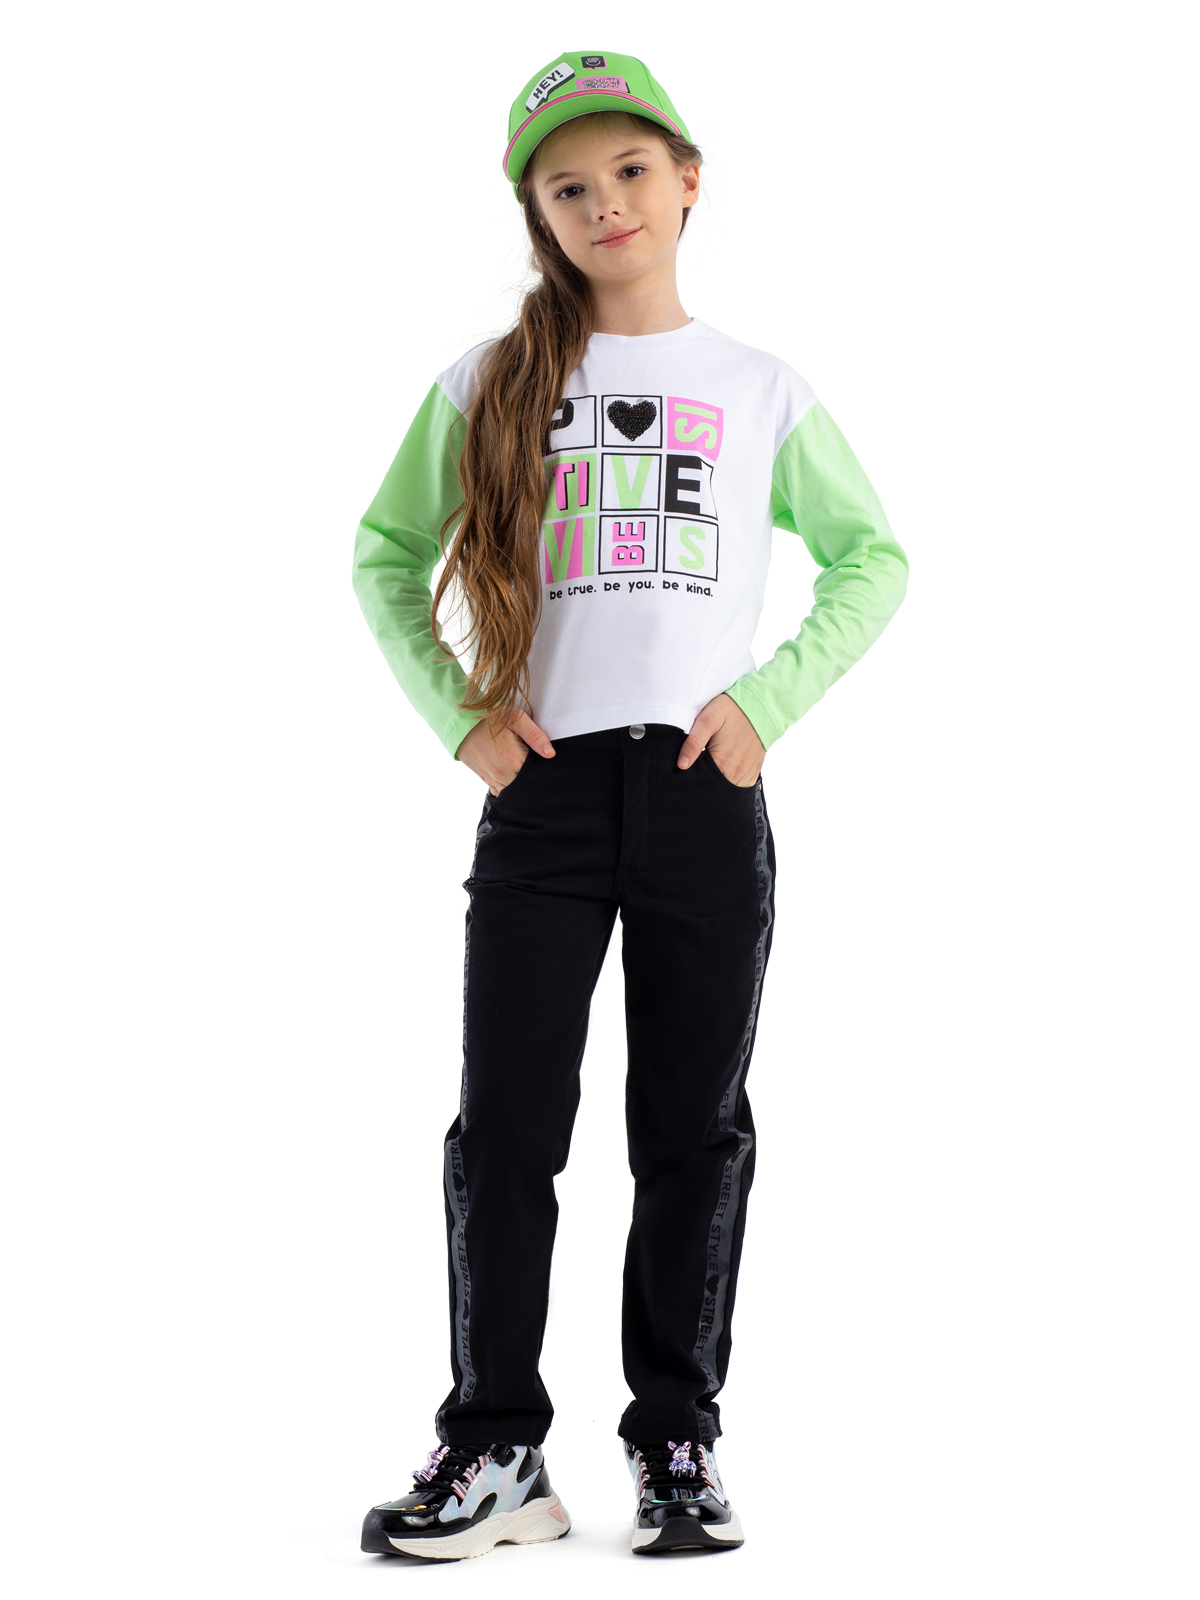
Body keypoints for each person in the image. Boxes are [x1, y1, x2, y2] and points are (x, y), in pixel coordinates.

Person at [351, 49, 908, 1561]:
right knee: (507, 1128)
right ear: (537, 215)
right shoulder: (488, 383)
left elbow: (875, 560)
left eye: (632, 172)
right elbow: (383, 553)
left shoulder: (760, 388)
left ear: (689, 179)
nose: (607, 204)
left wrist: (763, 708)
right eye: (569, 186)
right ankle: (496, 1449)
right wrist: (464, 719)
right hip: (543, 797)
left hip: (699, 792)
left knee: (692, 1129)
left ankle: (676, 1440)